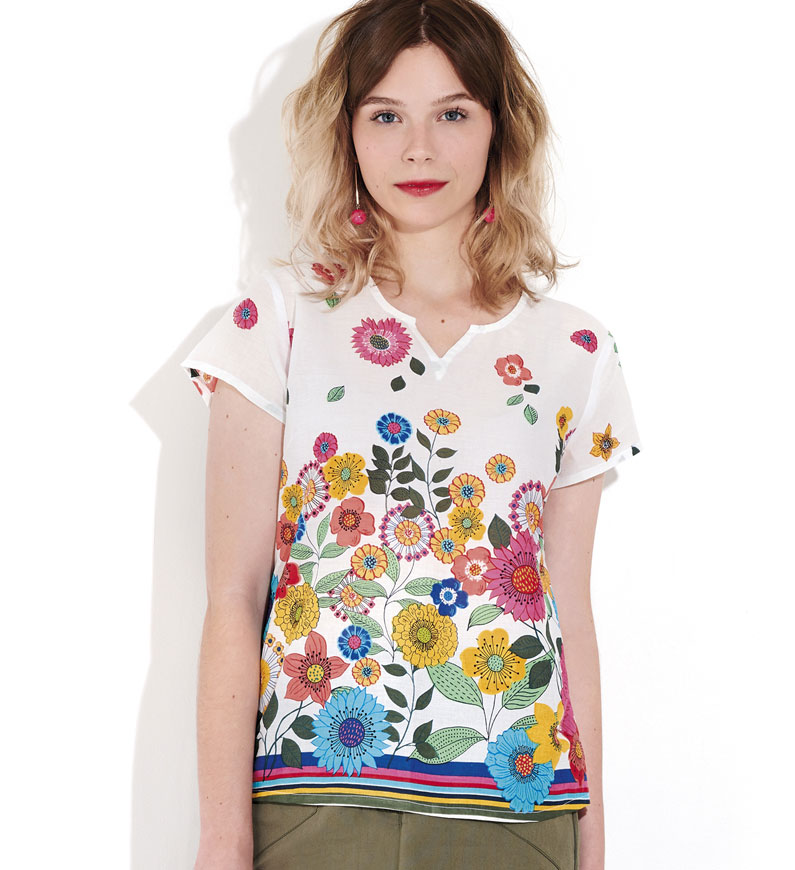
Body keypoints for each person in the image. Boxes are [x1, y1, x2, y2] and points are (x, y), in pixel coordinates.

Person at [180, 1, 641, 868]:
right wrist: (221, 841)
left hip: (518, 813)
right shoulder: (276, 320)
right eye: (386, 116)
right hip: (313, 806)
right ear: (347, 132)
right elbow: (234, 599)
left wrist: (594, 840)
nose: (419, 148)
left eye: (453, 114)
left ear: (500, 130)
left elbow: (569, 613)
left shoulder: (575, 350)